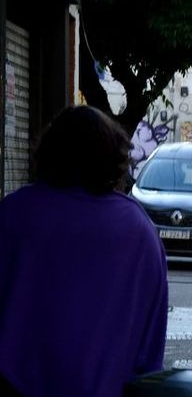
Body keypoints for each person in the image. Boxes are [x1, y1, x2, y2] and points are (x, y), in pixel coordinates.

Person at [0, 105, 169, 397]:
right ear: (114, 157)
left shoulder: (13, 215)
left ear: (48, 151)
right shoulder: (139, 230)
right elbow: (150, 348)